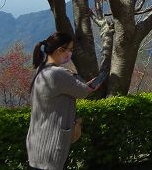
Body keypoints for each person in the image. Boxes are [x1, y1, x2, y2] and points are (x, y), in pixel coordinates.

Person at [27, 32, 100, 170]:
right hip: (50, 147)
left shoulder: (41, 70)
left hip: (36, 143)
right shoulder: (57, 73)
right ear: (60, 50)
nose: (71, 53)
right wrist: (91, 87)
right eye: (70, 50)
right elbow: (82, 92)